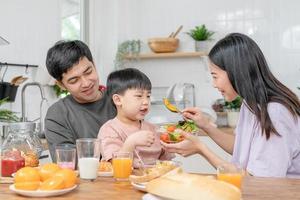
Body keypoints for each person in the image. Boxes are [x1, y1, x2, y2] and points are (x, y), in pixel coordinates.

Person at [161, 33, 300, 178]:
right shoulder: (251, 104)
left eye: (215, 76)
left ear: (236, 71)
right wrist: (206, 126)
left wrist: (201, 149)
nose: (214, 84)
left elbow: (260, 182)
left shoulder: (274, 113)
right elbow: (241, 148)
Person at [45, 40, 116, 161]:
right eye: (74, 80)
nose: (86, 83)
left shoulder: (119, 98)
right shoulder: (58, 114)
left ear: (93, 64)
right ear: (61, 85)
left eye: (88, 72)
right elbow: (67, 163)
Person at [98, 68, 173, 168]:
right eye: (139, 96)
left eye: (148, 96)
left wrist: (172, 143)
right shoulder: (109, 130)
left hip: (153, 181)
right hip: (122, 182)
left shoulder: (154, 129)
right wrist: (131, 142)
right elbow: (116, 165)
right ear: (118, 100)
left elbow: (166, 162)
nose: (146, 101)